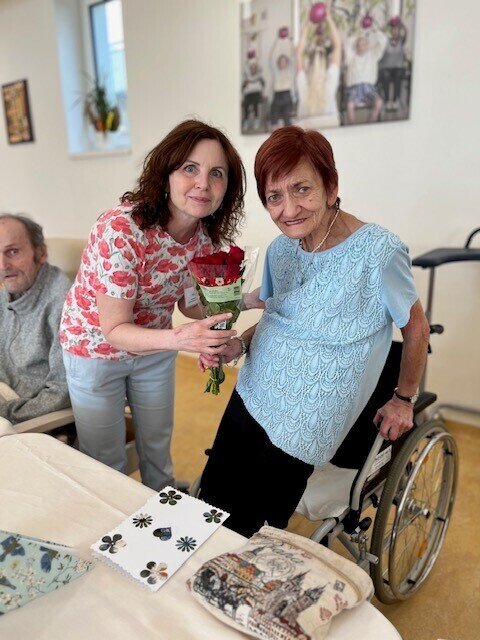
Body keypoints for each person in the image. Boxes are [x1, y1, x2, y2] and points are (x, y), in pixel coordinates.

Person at [199, 126, 430, 538]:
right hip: (256, 386)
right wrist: (238, 344)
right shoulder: (281, 250)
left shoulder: (379, 251)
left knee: (255, 524)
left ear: (331, 186)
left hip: (312, 409)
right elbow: (277, 315)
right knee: (211, 502)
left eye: (301, 189)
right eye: (274, 196)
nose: (289, 209)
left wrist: (403, 399)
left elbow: (416, 328)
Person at [60, 120, 246, 491]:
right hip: (94, 349)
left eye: (217, 173)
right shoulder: (122, 230)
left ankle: (161, 507)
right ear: (166, 174)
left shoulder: (204, 239)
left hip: (156, 347)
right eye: (190, 168)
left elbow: (189, 305)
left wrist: (236, 302)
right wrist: (184, 339)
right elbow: (115, 330)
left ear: (227, 188)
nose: (202, 183)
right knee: (107, 462)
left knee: (158, 448)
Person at [0, 214, 70, 426]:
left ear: (41, 253)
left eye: (13, 252)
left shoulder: (63, 304)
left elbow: (61, 393)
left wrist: (6, 414)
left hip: (28, 420)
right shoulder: (9, 289)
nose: (2, 265)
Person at [296, 3, 342, 128]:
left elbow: (299, 53)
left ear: (309, 64)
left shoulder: (303, 83)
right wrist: (328, 19)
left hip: (306, 133)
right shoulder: (330, 80)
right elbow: (338, 47)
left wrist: (307, 23)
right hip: (329, 130)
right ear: (326, 63)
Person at [344, 27, 387, 124]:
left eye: (364, 44)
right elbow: (347, 44)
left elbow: (383, 41)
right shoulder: (351, 56)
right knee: (350, 105)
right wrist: (356, 32)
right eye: (360, 44)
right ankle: (353, 128)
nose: (362, 46)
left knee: (379, 102)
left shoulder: (373, 55)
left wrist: (374, 30)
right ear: (356, 46)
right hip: (354, 88)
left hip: (369, 88)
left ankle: (369, 125)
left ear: (368, 46)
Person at [378, 19, 408, 111]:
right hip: (386, 67)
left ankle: (395, 100)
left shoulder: (401, 41)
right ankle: (387, 100)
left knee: (399, 75)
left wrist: (401, 23)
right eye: (393, 30)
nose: (395, 32)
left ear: (399, 31)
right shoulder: (386, 40)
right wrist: (387, 23)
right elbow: (380, 32)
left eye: (397, 30)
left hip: (398, 68)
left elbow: (406, 32)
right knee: (385, 75)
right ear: (390, 31)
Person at [269, 33, 296, 129]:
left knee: (287, 120)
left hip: (287, 95)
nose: (283, 63)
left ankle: (288, 136)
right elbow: (270, 58)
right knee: (274, 119)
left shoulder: (290, 71)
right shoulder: (275, 71)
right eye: (281, 61)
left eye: (284, 61)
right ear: (279, 62)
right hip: (277, 95)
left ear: (287, 62)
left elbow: (294, 56)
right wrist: (277, 40)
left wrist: (290, 41)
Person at [242, 57, 265, 132]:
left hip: (256, 94)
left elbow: (263, 85)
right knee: (246, 105)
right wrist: (245, 84)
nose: (253, 67)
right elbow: (242, 88)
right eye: (251, 66)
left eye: (254, 65)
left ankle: (256, 121)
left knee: (256, 104)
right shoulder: (246, 77)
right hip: (248, 95)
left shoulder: (259, 76)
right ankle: (246, 122)